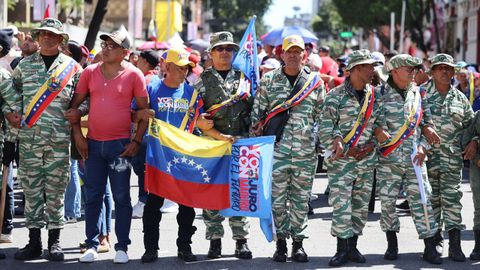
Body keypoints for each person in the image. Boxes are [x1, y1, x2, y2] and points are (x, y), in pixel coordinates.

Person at [2, 18, 82, 262]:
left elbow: (83, 99)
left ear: (60, 39)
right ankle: (34, 242)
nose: (46, 38)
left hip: (59, 141)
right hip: (29, 141)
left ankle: (54, 242)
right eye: (42, 34)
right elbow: (10, 97)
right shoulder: (24, 66)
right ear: (37, 38)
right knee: (32, 192)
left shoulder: (72, 67)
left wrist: (80, 111)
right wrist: (9, 113)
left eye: (51, 34)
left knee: (56, 194)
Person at [67, 30, 149, 264]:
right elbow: (75, 109)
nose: (105, 48)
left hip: (120, 148)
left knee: (122, 196)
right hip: (92, 146)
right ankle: (92, 244)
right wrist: (79, 137)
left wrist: (136, 141)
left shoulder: (134, 75)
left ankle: (121, 246)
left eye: (112, 46)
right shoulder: (89, 73)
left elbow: (144, 114)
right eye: (104, 44)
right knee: (93, 196)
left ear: (125, 52)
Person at [136, 47, 215, 263]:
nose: (184, 71)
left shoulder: (192, 94)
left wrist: (218, 134)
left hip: (184, 158)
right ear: (167, 66)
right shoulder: (151, 88)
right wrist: (141, 114)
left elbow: (200, 122)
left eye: (187, 68)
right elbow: (134, 115)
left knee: (187, 206)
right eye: (180, 67)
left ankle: (184, 247)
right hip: (157, 159)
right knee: (153, 205)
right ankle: (151, 248)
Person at [250, 35, 325, 263]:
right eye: (288, 51)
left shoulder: (315, 82)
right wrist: (255, 147)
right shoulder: (269, 80)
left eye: (297, 51)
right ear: (281, 54)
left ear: (305, 54)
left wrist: (321, 146)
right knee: (278, 199)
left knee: (301, 200)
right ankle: (281, 243)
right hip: (277, 151)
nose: (293, 55)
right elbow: (257, 114)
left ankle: (299, 244)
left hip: (304, 153)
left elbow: (322, 118)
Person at [319, 50, 385, 266]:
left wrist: (373, 142)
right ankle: (341, 249)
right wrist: (344, 147)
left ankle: (353, 247)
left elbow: (380, 124)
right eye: (368, 66)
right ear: (355, 69)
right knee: (341, 205)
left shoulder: (375, 95)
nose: (372, 70)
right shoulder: (335, 95)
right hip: (342, 161)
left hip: (366, 159)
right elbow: (326, 126)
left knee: (360, 205)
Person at [375, 54, 442, 264]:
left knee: (423, 200)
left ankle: (430, 246)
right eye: (408, 68)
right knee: (387, 202)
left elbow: (428, 124)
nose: (413, 72)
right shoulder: (379, 94)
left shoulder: (419, 94)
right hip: (389, 158)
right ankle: (391, 243)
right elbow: (371, 123)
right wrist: (377, 129)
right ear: (394, 71)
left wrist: (424, 145)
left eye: (415, 68)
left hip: (415, 157)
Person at [193, 31, 253, 260]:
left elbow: (254, 109)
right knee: (212, 192)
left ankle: (241, 241)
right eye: (220, 48)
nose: (225, 52)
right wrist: (201, 123)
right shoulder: (202, 80)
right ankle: (215, 241)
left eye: (229, 48)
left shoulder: (245, 79)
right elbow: (193, 114)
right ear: (211, 53)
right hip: (212, 144)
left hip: (240, 142)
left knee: (241, 192)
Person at [424, 53, 476, 262]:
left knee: (453, 201)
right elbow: (409, 124)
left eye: (449, 69)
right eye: (441, 68)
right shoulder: (420, 95)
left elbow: (471, 125)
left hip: (452, 160)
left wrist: (474, 140)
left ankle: (455, 245)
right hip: (426, 160)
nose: (446, 72)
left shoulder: (460, 98)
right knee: (430, 202)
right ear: (433, 72)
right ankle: (433, 244)